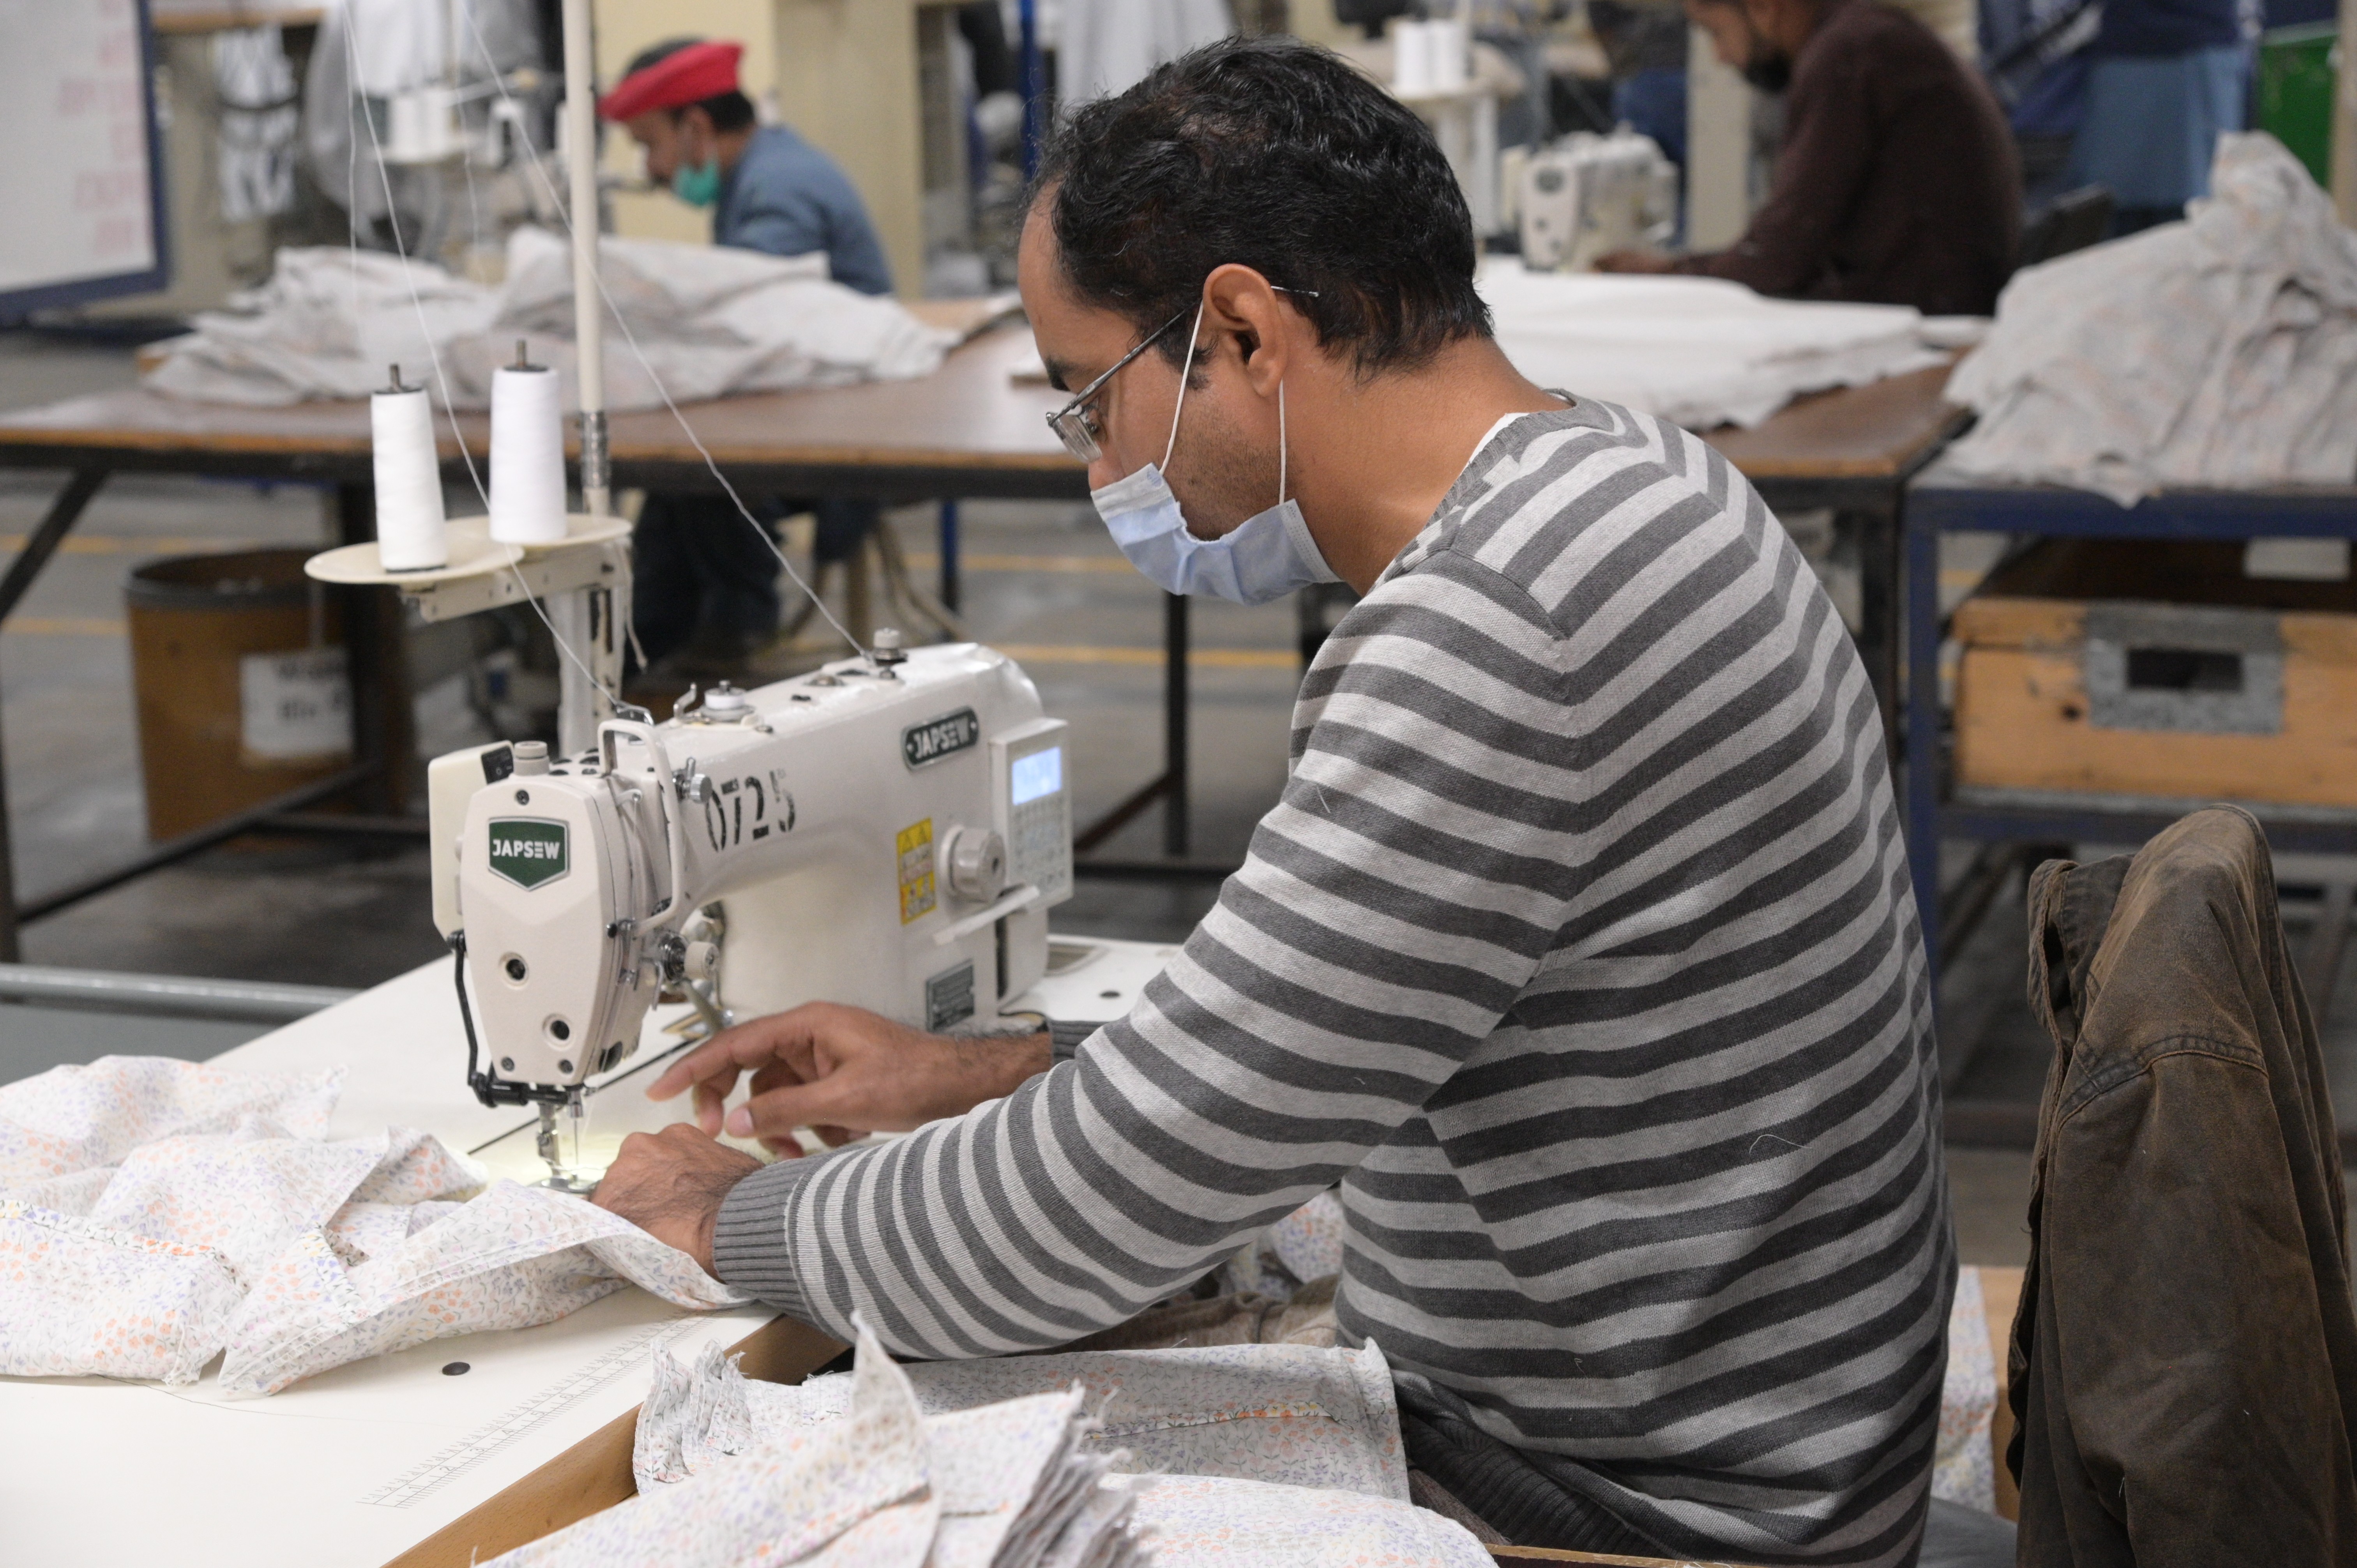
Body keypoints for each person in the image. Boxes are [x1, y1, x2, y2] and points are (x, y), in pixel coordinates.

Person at [594, 38, 1952, 1567]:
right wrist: (987, 1071)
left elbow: (1096, 1201)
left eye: (1088, 398)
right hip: (1761, 1433)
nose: (1099, 462)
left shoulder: (1490, 632)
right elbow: (1341, 1029)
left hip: (1643, 1514)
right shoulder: (1640, 477)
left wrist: (731, 1220)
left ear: (1243, 328)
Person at [598, 38, 892, 670]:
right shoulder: (763, 172)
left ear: (696, 126)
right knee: (669, 496)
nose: (649, 169)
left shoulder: (777, 191)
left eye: (650, 144)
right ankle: (649, 655)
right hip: (822, 403)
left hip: (849, 426)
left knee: (691, 472)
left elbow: (748, 335)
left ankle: (723, 641)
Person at [1597, 0, 2021, 316]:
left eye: (1716, 32)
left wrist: (1664, 277)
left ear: (1762, 7)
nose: (1721, 57)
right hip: (1941, 299)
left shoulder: (1849, 53)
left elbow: (1777, 256)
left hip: (1924, 316)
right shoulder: (1874, 36)